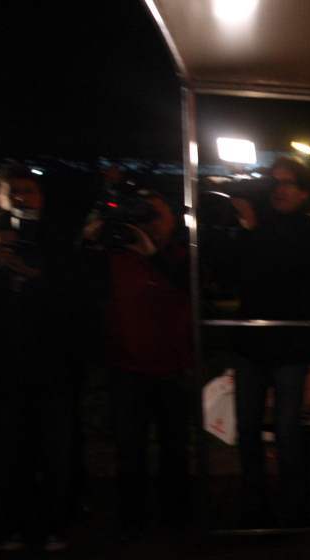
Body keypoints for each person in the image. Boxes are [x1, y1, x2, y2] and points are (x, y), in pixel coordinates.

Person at [227, 156, 310, 526]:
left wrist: (254, 230)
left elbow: (292, 274)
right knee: (247, 426)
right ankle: (253, 500)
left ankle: (293, 505)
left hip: (290, 343)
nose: (279, 189)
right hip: (251, 343)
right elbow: (235, 274)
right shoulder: (254, 226)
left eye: (288, 183)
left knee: (288, 427)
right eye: (274, 182)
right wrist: (247, 227)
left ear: (304, 192)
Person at [0, 161, 79, 552]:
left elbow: (75, 296)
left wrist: (41, 279)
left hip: (52, 363)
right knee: (11, 449)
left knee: (54, 449)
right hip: (6, 365)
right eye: (15, 192)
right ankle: (14, 525)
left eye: (30, 191)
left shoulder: (57, 238)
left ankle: (53, 524)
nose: (23, 199)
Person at [84, 185, 192, 536]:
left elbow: (189, 287)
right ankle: (133, 518)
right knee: (130, 448)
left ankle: (175, 516)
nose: (151, 222)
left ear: (173, 219)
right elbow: (82, 283)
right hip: (126, 367)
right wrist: (91, 238)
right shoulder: (115, 255)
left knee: (174, 446)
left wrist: (152, 254)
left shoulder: (181, 254)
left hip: (172, 366)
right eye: (144, 215)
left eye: (157, 215)